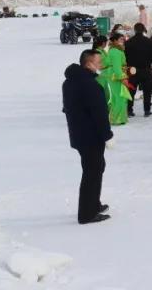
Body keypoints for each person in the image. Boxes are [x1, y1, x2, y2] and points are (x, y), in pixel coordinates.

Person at [63, 48, 113, 224]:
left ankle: (93, 203)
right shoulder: (90, 84)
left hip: (79, 134)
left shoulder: (70, 81)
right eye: (98, 62)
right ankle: (87, 213)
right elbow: (99, 113)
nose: (100, 65)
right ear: (89, 63)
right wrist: (107, 135)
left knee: (96, 167)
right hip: (90, 135)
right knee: (92, 171)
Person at [124, 23, 152, 117]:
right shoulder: (149, 42)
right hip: (146, 69)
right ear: (143, 30)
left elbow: (125, 56)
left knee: (131, 90)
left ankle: (129, 110)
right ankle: (147, 110)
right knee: (147, 91)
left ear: (134, 30)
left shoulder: (128, 42)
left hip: (132, 69)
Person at [97, 33, 129, 126]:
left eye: (123, 39)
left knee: (116, 97)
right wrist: (123, 78)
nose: (122, 41)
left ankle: (116, 118)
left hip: (113, 74)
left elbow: (107, 63)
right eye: (120, 39)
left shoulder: (114, 50)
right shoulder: (115, 51)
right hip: (116, 76)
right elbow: (116, 67)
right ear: (114, 41)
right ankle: (117, 118)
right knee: (120, 97)